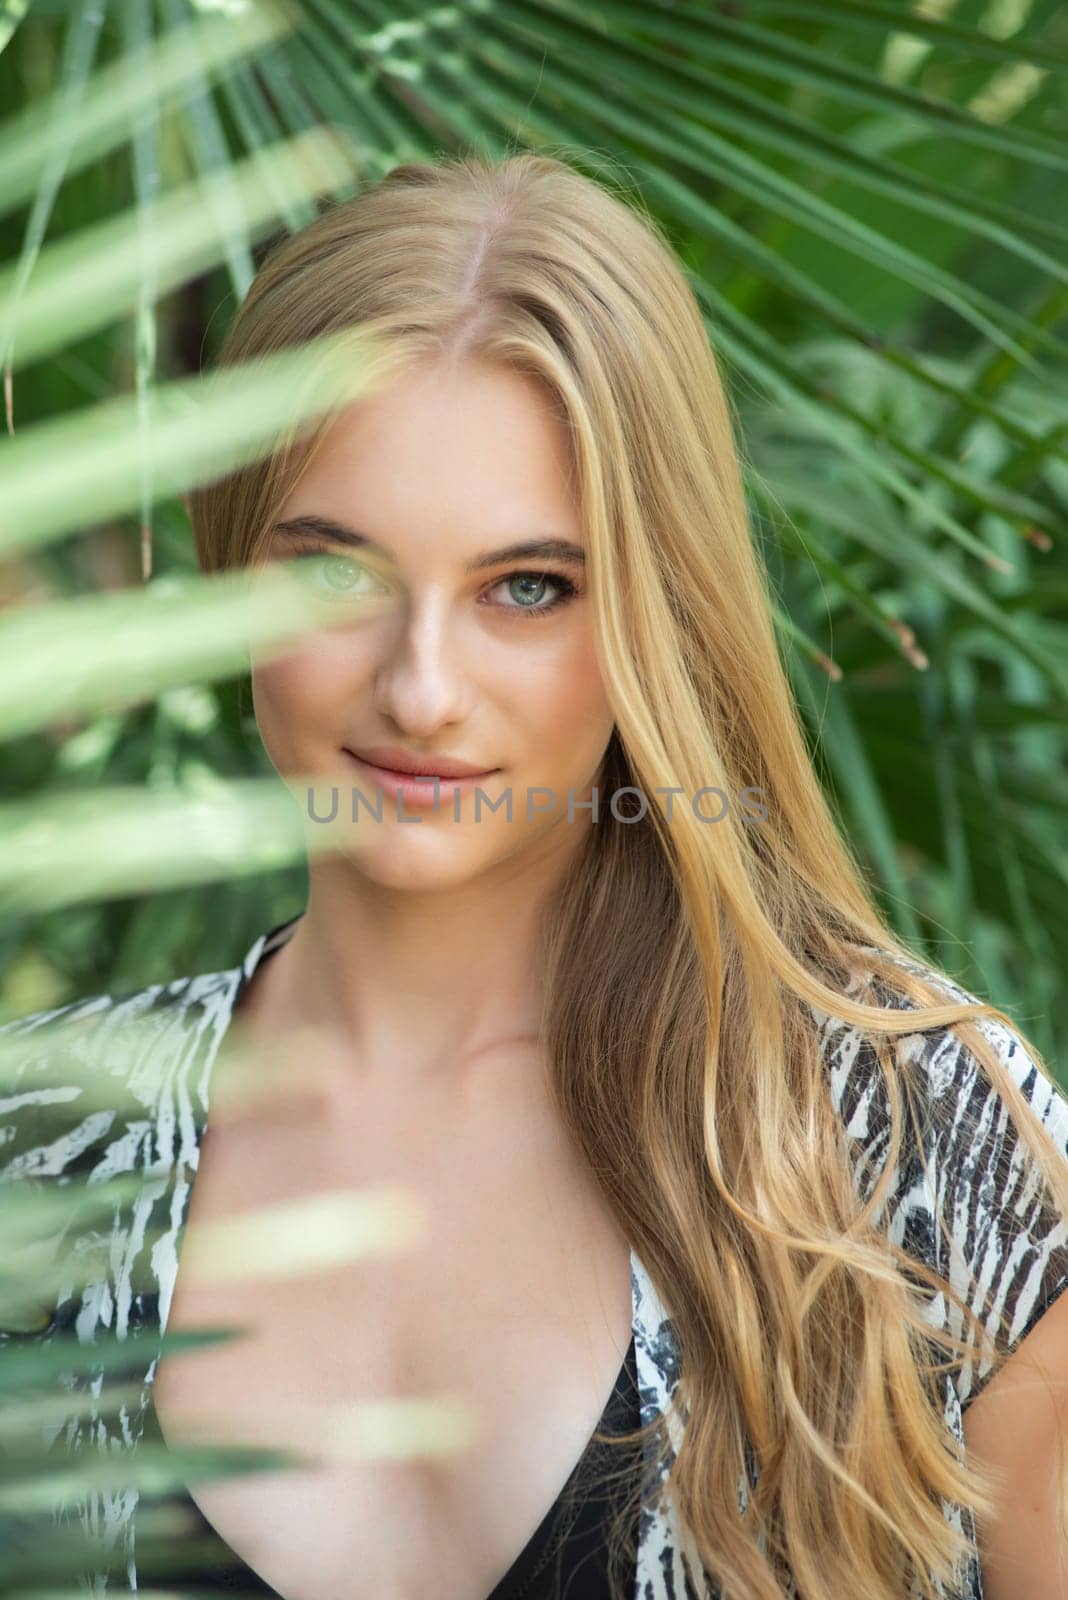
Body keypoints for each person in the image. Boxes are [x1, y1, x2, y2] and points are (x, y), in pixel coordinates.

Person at [2, 150, 1067, 1600]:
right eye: (335, 571)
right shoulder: (38, 1148)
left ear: (654, 604)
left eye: (526, 588)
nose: (422, 690)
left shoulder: (918, 1138)